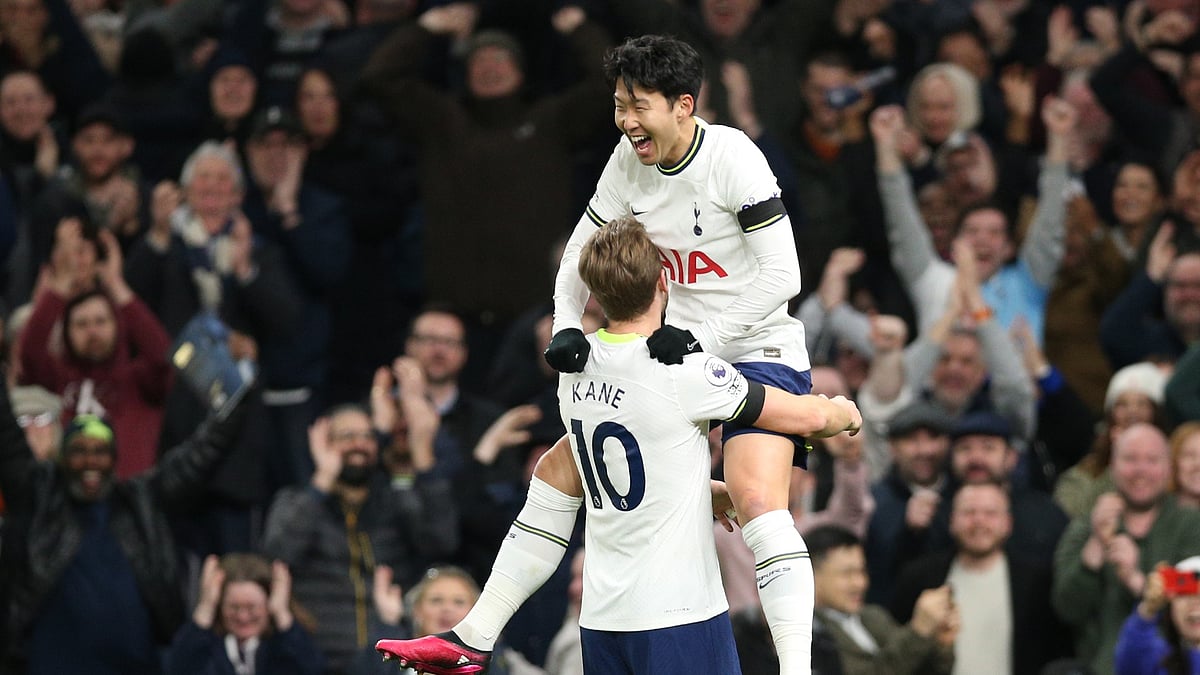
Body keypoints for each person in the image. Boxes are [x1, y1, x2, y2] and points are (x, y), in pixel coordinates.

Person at [377, 215, 861, 674]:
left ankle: (473, 636)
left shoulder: (574, 373)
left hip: (603, 620)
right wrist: (843, 412)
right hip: (679, 615)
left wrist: (698, 488)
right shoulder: (685, 373)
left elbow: (627, 449)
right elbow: (804, 415)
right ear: (663, 283)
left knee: (555, 466)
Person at [542, 34, 820, 674]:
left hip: (751, 347)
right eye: (618, 105)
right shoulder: (627, 159)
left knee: (755, 498)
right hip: (669, 357)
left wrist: (704, 341)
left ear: (683, 105)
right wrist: (565, 325)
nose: (626, 121)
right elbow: (581, 253)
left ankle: (797, 670)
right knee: (559, 468)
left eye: (637, 106)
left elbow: (783, 277)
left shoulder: (734, 158)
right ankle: (474, 634)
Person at [0, 376, 250, 673]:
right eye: (79, 451)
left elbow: (203, 452)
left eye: (100, 451)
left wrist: (240, 381)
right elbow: (7, 437)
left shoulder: (143, 502)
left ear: (114, 459)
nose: (90, 461)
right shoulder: (39, 500)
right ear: (64, 459)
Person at [262, 399, 460, 675]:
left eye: (368, 436)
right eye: (347, 436)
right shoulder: (298, 501)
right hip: (316, 660)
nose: (359, 444)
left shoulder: (391, 500)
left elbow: (441, 541)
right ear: (322, 444)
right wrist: (323, 478)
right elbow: (278, 554)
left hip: (388, 660)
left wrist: (415, 461)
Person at [1052, 424, 1200, 675]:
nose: (1140, 470)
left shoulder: (1191, 523)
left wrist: (1135, 578)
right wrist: (1095, 547)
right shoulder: (1084, 527)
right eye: (1130, 459)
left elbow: (1194, 600)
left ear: (1168, 467)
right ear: (1112, 465)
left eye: (1152, 460)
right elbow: (1066, 609)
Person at [890, 482, 1071, 674]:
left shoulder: (1037, 583)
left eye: (990, 513)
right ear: (951, 521)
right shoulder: (918, 578)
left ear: (1008, 523)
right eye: (969, 512)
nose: (979, 521)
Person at [808, 524, 956, 675]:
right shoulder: (809, 634)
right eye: (847, 573)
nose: (860, 583)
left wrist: (942, 644)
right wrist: (919, 630)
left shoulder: (875, 617)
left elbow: (922, 668)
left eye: (862, 571)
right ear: (812, 575)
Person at [166, 553, 324, 675]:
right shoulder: (209, 646)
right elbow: (180, 669)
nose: (243, 617)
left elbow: (310, 669)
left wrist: (282, 614)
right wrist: (206, 607)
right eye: (234, 607)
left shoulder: (281, 644)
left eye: (252, 607)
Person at [1114, 556, 1200, 674]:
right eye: (1184, 594)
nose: (1194, 603)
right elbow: (1131, 666)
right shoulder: (1160, 658)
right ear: (1170, 608)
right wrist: (1148, 610)